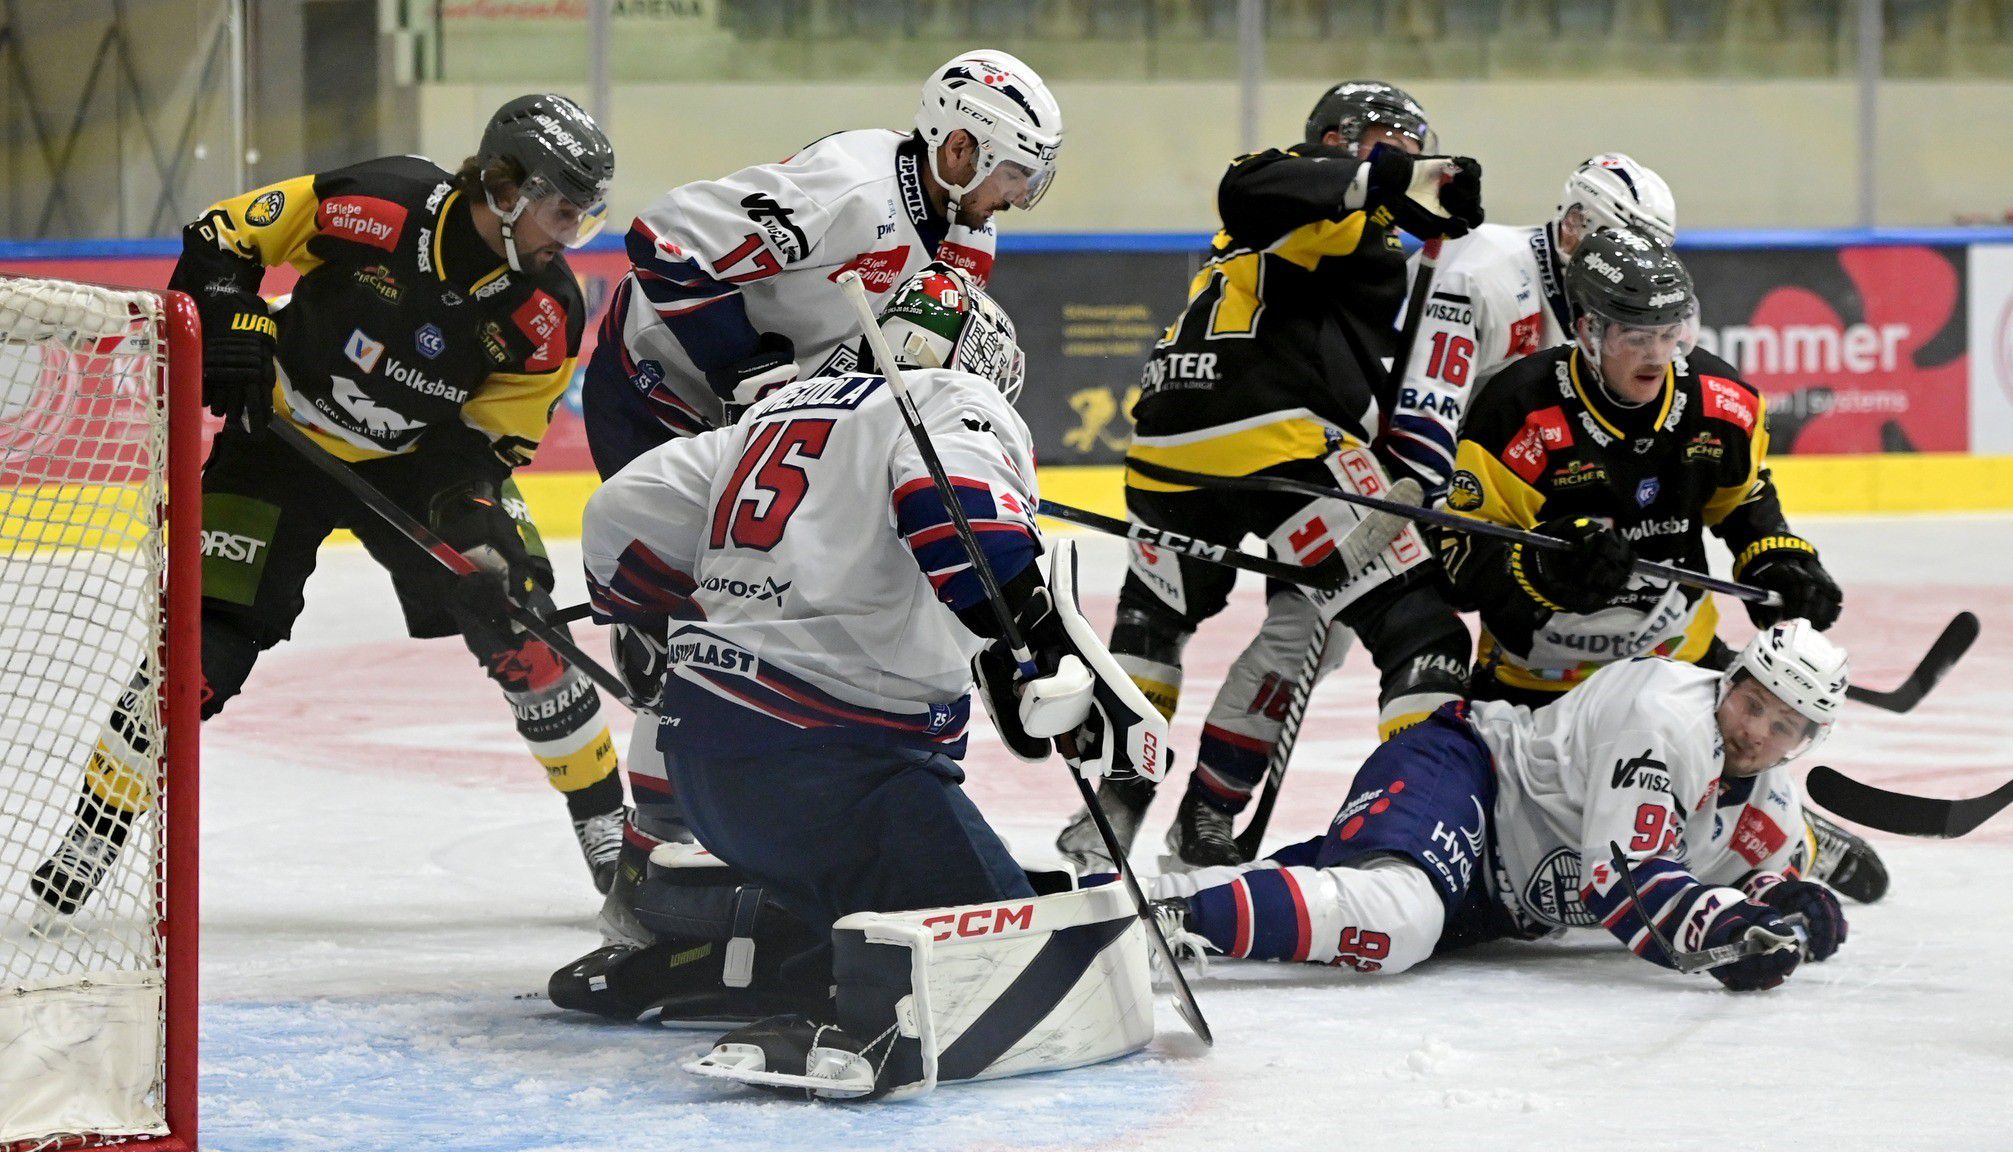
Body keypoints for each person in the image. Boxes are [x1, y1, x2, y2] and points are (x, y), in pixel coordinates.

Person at [567, 265, 1165, 1099]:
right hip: (840, 771)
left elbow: (616, 520)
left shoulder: (774, 411)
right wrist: (1040, 637)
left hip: (709, 769)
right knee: (1016, 957)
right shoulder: (953, 398)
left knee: (863, 895)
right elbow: (956, 513)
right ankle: (855, 1026)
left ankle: (722, 958)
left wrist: (696, 614)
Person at [31, 94, 626, 915]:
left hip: (416, 465)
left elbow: (485, 448)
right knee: (201, 651)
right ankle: (96, 826)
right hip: (276, 443)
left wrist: (479, 539)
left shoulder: (546, 311)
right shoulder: (380, 202)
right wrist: (233, 317)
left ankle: (606, 824)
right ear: (505, 185)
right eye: (562, 210)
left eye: (581, 215)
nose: (570, 233)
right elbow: (222, 238)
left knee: (523, 626)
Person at [577, 49, 1063, 911]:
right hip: (665, 384)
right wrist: (752, 374)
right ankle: (650, 870)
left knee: (795, 586)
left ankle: (729, 830)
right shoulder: (851, 188)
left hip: (780, 407)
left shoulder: (970, 229)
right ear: (960, 149)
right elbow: (665, 241)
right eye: (1015, 174)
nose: (1019, 197)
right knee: (715, 614)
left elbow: (908, 356)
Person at [1057, 80, 1483, 874]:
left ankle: (1112, 810)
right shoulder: (1339, 208)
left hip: (1169, 450)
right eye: (1386, 142)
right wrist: (1383, 183)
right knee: (1420, 632)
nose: (1406, 160)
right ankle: (1387, 813)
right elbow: (1248, 181)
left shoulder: (1297, 230)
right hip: (1282, 446)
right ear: (1337, 141)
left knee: (1159, 626)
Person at [1433, 225, 1886, 902]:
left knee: (1725, 756)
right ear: (1587, 332)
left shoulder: (1720, 404)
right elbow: (1462, 561)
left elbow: (1744, 503)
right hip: (1540, 682)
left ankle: (1790, 833)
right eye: (1632, 336)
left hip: (1677, 662)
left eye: (1669, 334)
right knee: (1530, 855)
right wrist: (1547, 568)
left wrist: (1780, 560)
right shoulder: (1515, 410)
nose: (1655, 356)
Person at [1151, 622, 1851, 994]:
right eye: (1753, 703)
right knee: (1397, 919)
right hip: (1468, 775)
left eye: (1782, 726)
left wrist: (1790, 908)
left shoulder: (1773, 806)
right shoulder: (1663, 715)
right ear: (1729, 680)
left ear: (1801, 744)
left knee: (1350, 903)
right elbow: (1622, 881)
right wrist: (1725, 928)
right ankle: (1160, 926)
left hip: (1492, 899)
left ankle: (1145, 903)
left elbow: (1756, 878)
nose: (1756, 731)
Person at [1384, 153, 1676, 493]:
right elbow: (1422, 418)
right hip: (1398, 461)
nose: (1634, 270)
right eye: (1620, 248)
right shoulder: (1482, 277)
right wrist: (1441, 513)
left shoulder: (1604, 303)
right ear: (1574, 223)